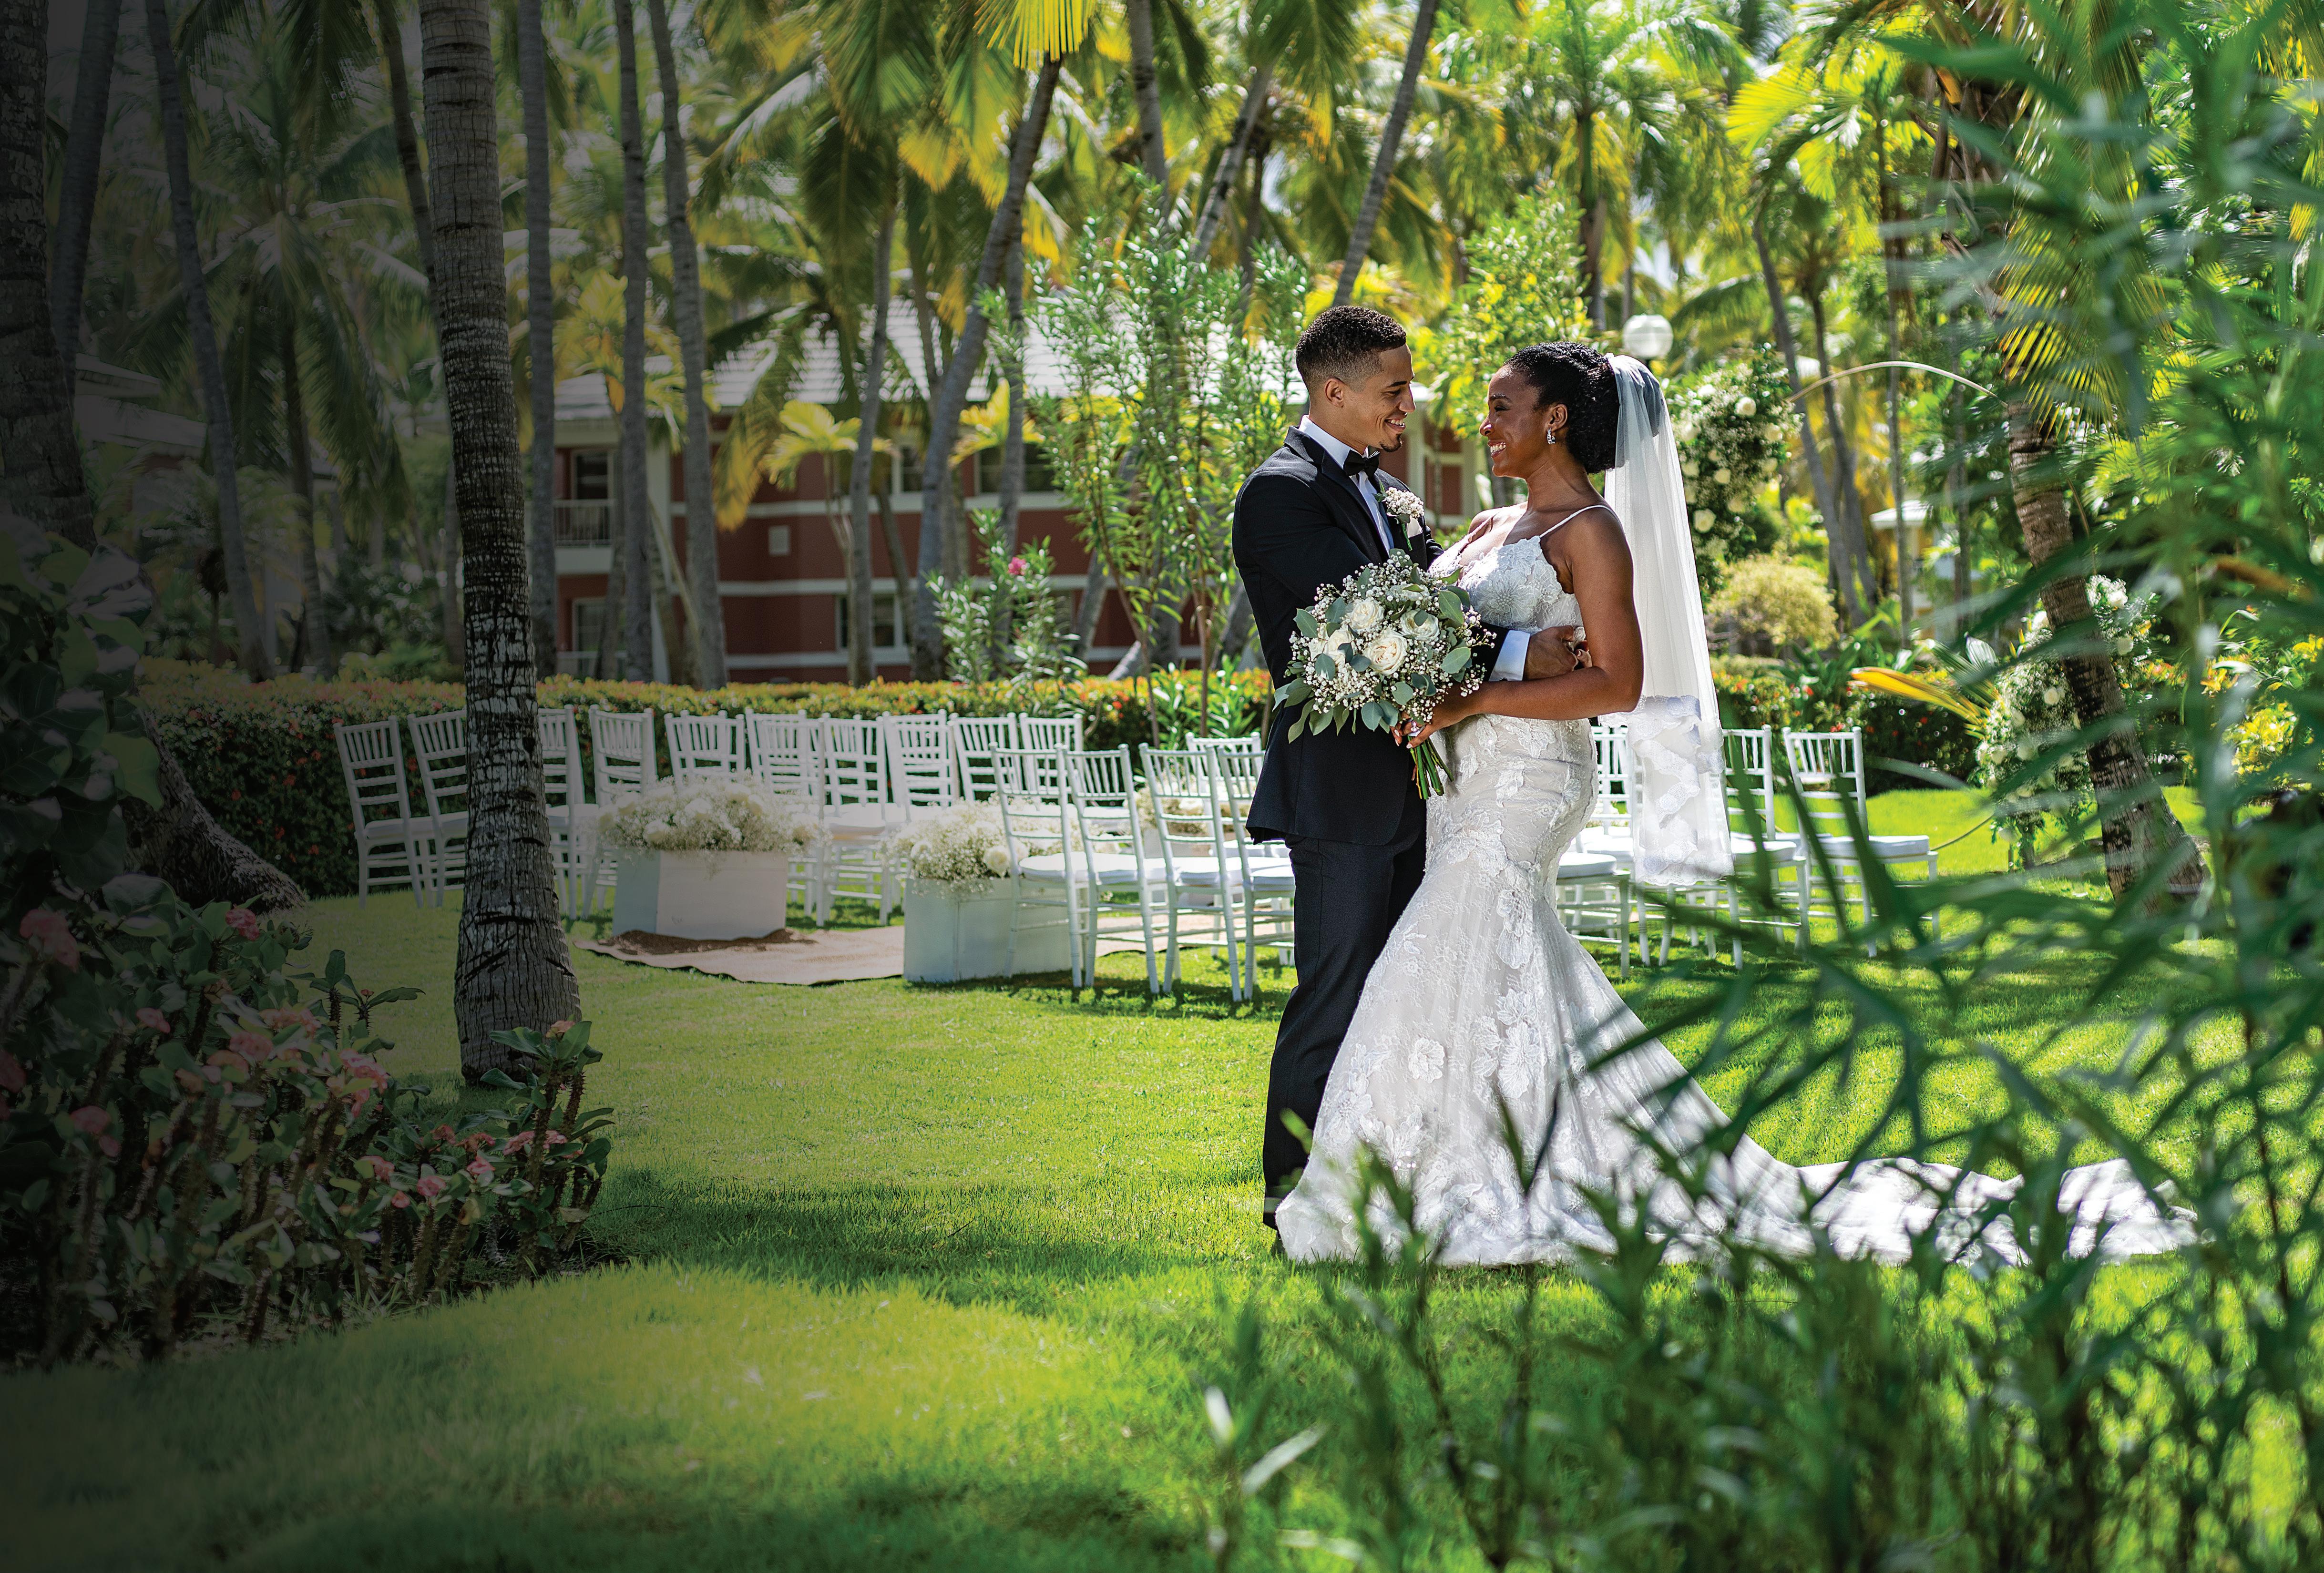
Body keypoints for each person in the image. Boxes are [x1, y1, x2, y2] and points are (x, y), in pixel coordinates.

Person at [1271, 341, 2183, 1266]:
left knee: (1446, 945)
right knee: (1487, 961)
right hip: (1458, 785)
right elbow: (1453, 636)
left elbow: (1618, 683)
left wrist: (1477, 699)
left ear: (1555, 419)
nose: (1484, 422)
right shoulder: (1481, 527)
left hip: (1525, 784)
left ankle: (1440, 1174)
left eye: (1502, 406)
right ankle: (1490, 1156)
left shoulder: (1590, 533)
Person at [1232, 306, 1580, 1230]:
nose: (1408, 407)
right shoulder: (1278, 494)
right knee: (1338, 990)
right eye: (1393, 390)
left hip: (1429, 791)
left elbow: (1442, 603)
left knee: (1403, 1001)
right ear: (1332, 392)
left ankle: (1395, 1180)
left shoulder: (1391, 494)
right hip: (1339, 795)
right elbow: (1371, 618)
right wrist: (1519, 656)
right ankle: (1291, 1194)